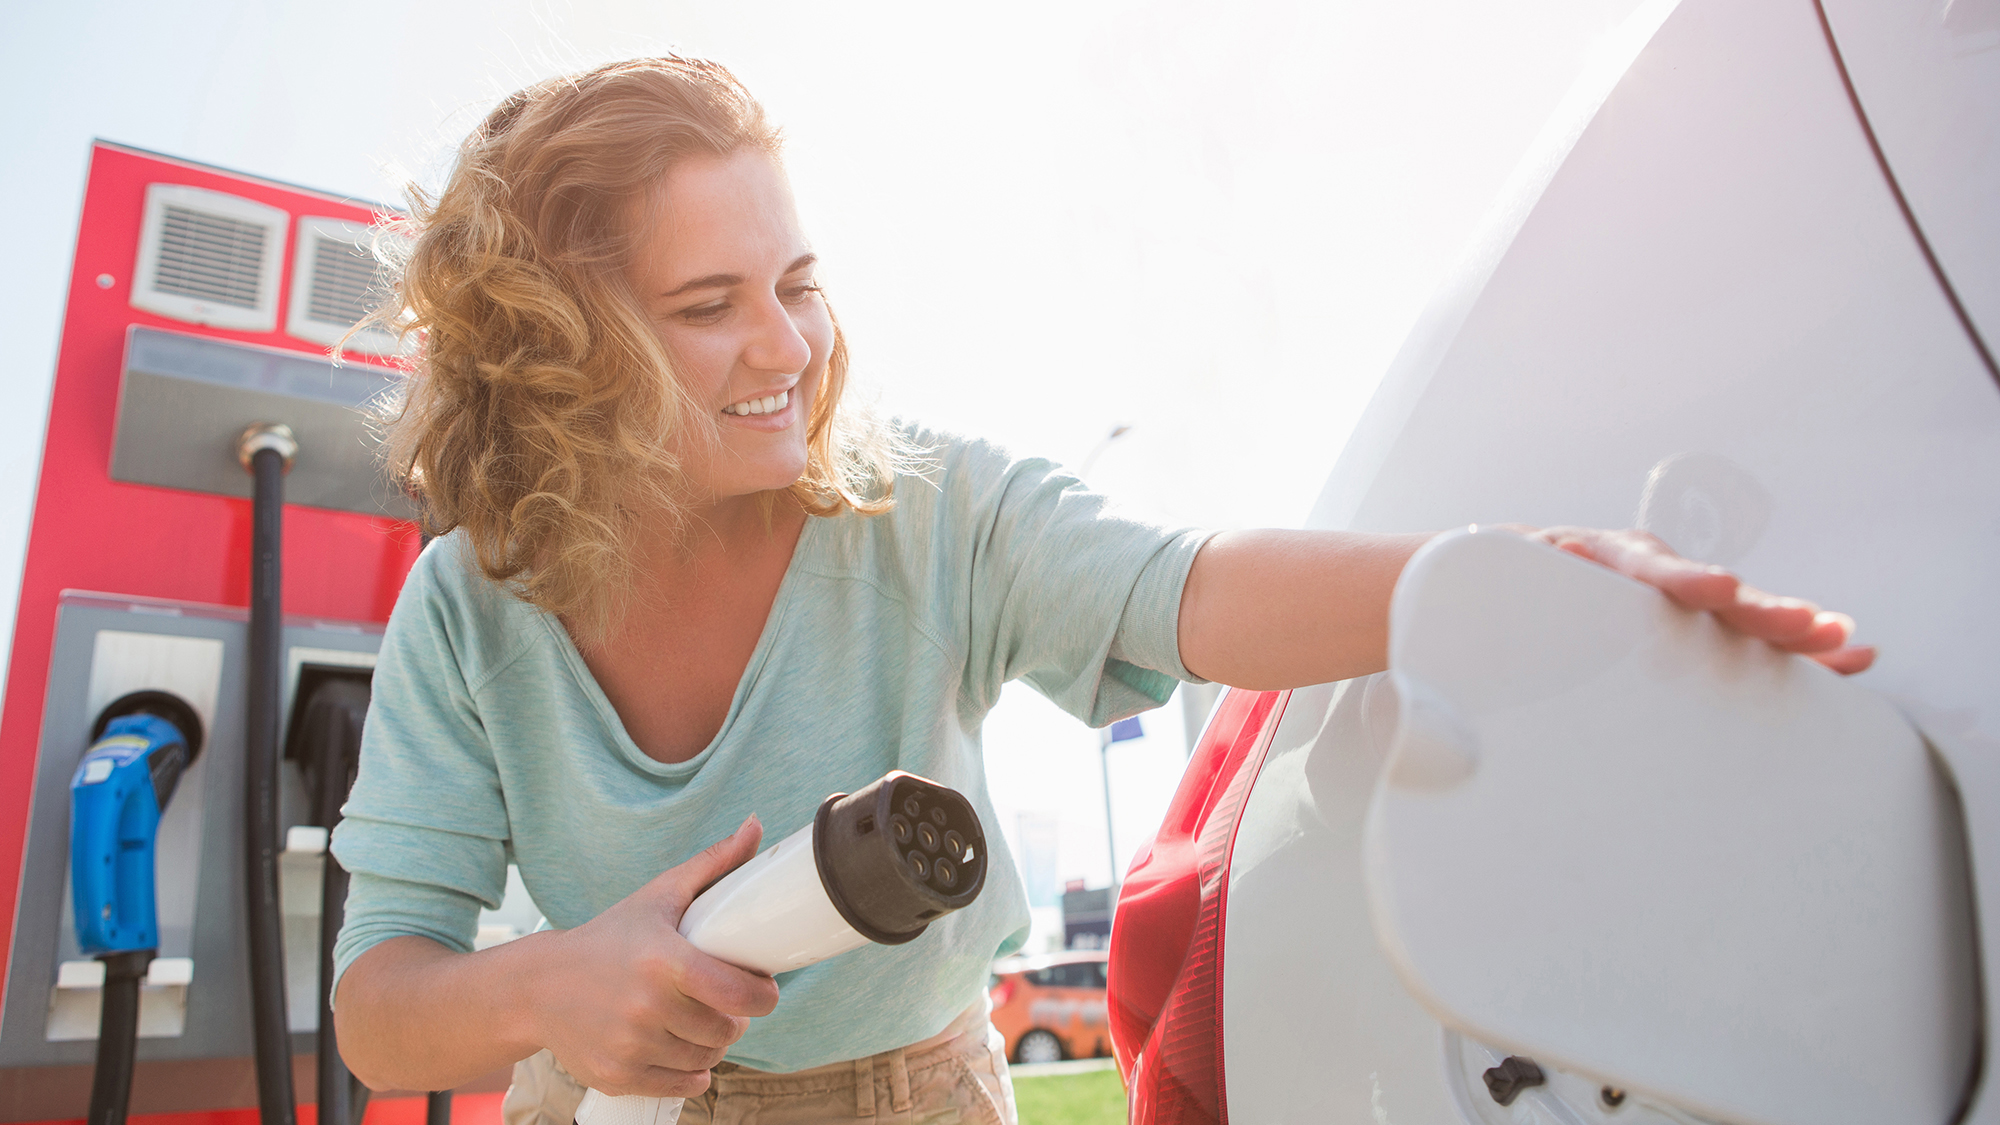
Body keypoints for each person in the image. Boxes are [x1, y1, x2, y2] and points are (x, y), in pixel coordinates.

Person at [329, 55, 1872, 1125]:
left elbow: (1180, 589)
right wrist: (559, 985)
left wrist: (1510, 581)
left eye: (798, 283)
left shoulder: (927, 508)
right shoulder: (474, 609)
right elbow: (382, 1004)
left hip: (911, 1095)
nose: (793, 349)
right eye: (708, 305)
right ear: (554, 347)